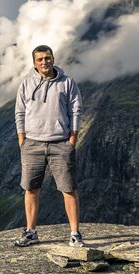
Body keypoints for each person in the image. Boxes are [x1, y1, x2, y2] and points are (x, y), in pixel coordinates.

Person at [14, 45, 84, 247]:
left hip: (61, 144)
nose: (45, 62)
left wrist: (72, 139)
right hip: (32, 144)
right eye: (40, 59)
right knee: (31, 188)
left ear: (53, 59)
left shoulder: (67, 83)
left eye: (48, 58)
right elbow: (19, 113)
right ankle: (31, 232)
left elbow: (76, 110)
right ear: (34, 63)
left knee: (68, 189)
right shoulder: (26, 85)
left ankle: (75, 234)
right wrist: (22, 140)